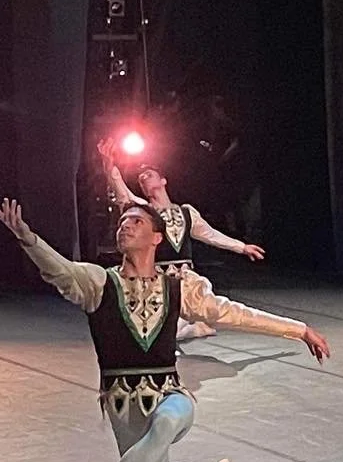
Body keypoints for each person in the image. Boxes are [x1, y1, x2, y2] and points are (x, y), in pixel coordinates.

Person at [0, 197, 331, 462]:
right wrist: (26, 236)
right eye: (123, 221)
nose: (125, 225)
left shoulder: (178, 287)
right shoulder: (98, 283)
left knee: (168, 421)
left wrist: (299, 329)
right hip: (123, 404)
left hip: (170, 394)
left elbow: (236, 314)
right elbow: (60, 270)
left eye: (136, 221)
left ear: (158, 237)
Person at [99, 138, 265, 341]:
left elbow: (211, 235)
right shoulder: (146, 212)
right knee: (153, 330)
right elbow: (121, 190)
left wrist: (242, 247)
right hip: (159, 282)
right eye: (141, 179)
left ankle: (192, 323)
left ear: (163, 180)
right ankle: (192, 327)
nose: (143, 179)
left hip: (186, 282)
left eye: (149, 175)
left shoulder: (186, 212)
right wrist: (109, 164)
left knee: (201, 314)